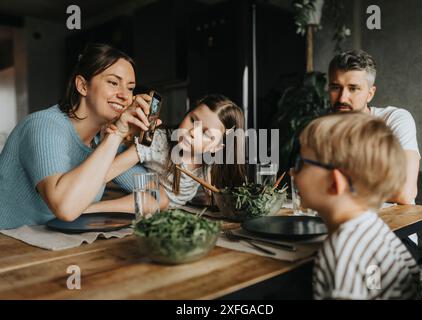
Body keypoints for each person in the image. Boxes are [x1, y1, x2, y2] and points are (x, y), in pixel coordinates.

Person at [0, 43, 168, 230]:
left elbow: (156, 196)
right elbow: (67, 208)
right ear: (82, 86)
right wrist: (119, 135)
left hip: (50, 248)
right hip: (8, 247)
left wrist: (87, 207)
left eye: (130, 88)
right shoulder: (43, 126)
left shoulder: (101, 142)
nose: (125, 96)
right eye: (113, 82)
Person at [292, 112, 422, 300]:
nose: (292, 173)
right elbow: (373, 286)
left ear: (335, 183)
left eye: (301, 164)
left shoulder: (342, 255)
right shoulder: (376, 234)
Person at [109, 94, 247, 207]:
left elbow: (210, 191)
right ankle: (89, 208)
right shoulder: (159, 141)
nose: (193, 132)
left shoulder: (208, 161)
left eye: (206, 134)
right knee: (159, 197)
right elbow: (108, 170)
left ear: (215, 147)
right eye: (193, 120)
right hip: (146, 187)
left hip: (164, 206)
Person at [328, 49, 420, 205]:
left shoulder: (394, 120)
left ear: (370, 94)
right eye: (336, 87)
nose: (342, 97)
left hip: (393, 227)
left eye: (353, 88)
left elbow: (404, 192)